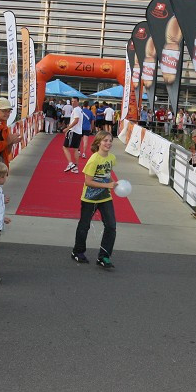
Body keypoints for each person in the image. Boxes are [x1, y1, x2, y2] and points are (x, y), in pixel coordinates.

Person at [71, 130, 119, 269]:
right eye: (105, 140)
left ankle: (104, 256)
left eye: (110, 140)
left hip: (105, 197)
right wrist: (107, 185)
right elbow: (88, 181)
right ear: (98, 142)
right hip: (90, 198)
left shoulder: (112, 158)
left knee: (111, 226)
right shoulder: (93, 160)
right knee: (84, 225)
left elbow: (107, 174)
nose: (108, 143)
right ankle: (77, 251)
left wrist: (114, 183)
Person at [62, 98, 83, 173]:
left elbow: (76, 120)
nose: (73, 103)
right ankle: (76, 167)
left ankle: (71, 163)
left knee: (65, 147)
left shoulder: (76, 110)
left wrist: (67, 129)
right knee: (75, 149)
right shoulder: (79, 110)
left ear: (78, 102)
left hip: (73, 131)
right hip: (78, 132)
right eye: (72, 101)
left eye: (74, 101)